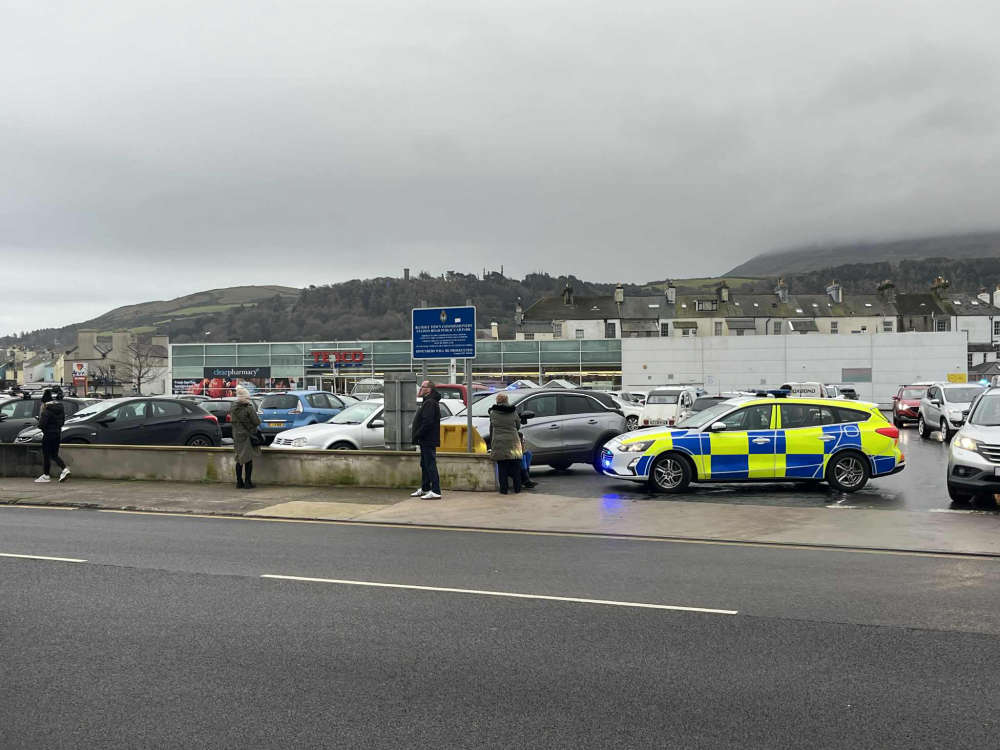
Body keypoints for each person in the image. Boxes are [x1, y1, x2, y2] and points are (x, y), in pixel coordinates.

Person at [410, 380, 442, 499]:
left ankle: (436, 490)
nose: (420, 389)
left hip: (428, 439)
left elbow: (427, 422)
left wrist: (418, 433)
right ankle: (425, 488)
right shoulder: (428, 401)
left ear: (429, 389)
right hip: (425, 439)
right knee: (424, 464)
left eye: (422, 387)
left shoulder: (430, 403)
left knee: (430, 464)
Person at [488, 392, 523, 494]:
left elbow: (492, 424)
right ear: (507, 400)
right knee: (516, 466)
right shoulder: (513, 412)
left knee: (502, 467)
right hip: (513, 442)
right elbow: (517, 426)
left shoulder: (493, 413)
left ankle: (504, 490)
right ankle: (517, 488)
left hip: (499, 443)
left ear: (497, 401)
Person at [229, 386, 262, 489]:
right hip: (247, 436)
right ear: (246, 398)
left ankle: (239, 482)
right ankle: (248, 482)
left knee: (239, 459)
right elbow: (257, 422)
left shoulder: (233, 408)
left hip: (237, 436)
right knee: (248, 460)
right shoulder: (249, 408)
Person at [35, 388, 70, 483]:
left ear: (45, 402)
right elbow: (62, 422)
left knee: (46, 455)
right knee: (54, 455)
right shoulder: (60, 409)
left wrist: (40, 422)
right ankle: (64, 469)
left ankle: (46, 475)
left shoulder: (46, 411)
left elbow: (41, 425)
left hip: (48, 435)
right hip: (57, 434)